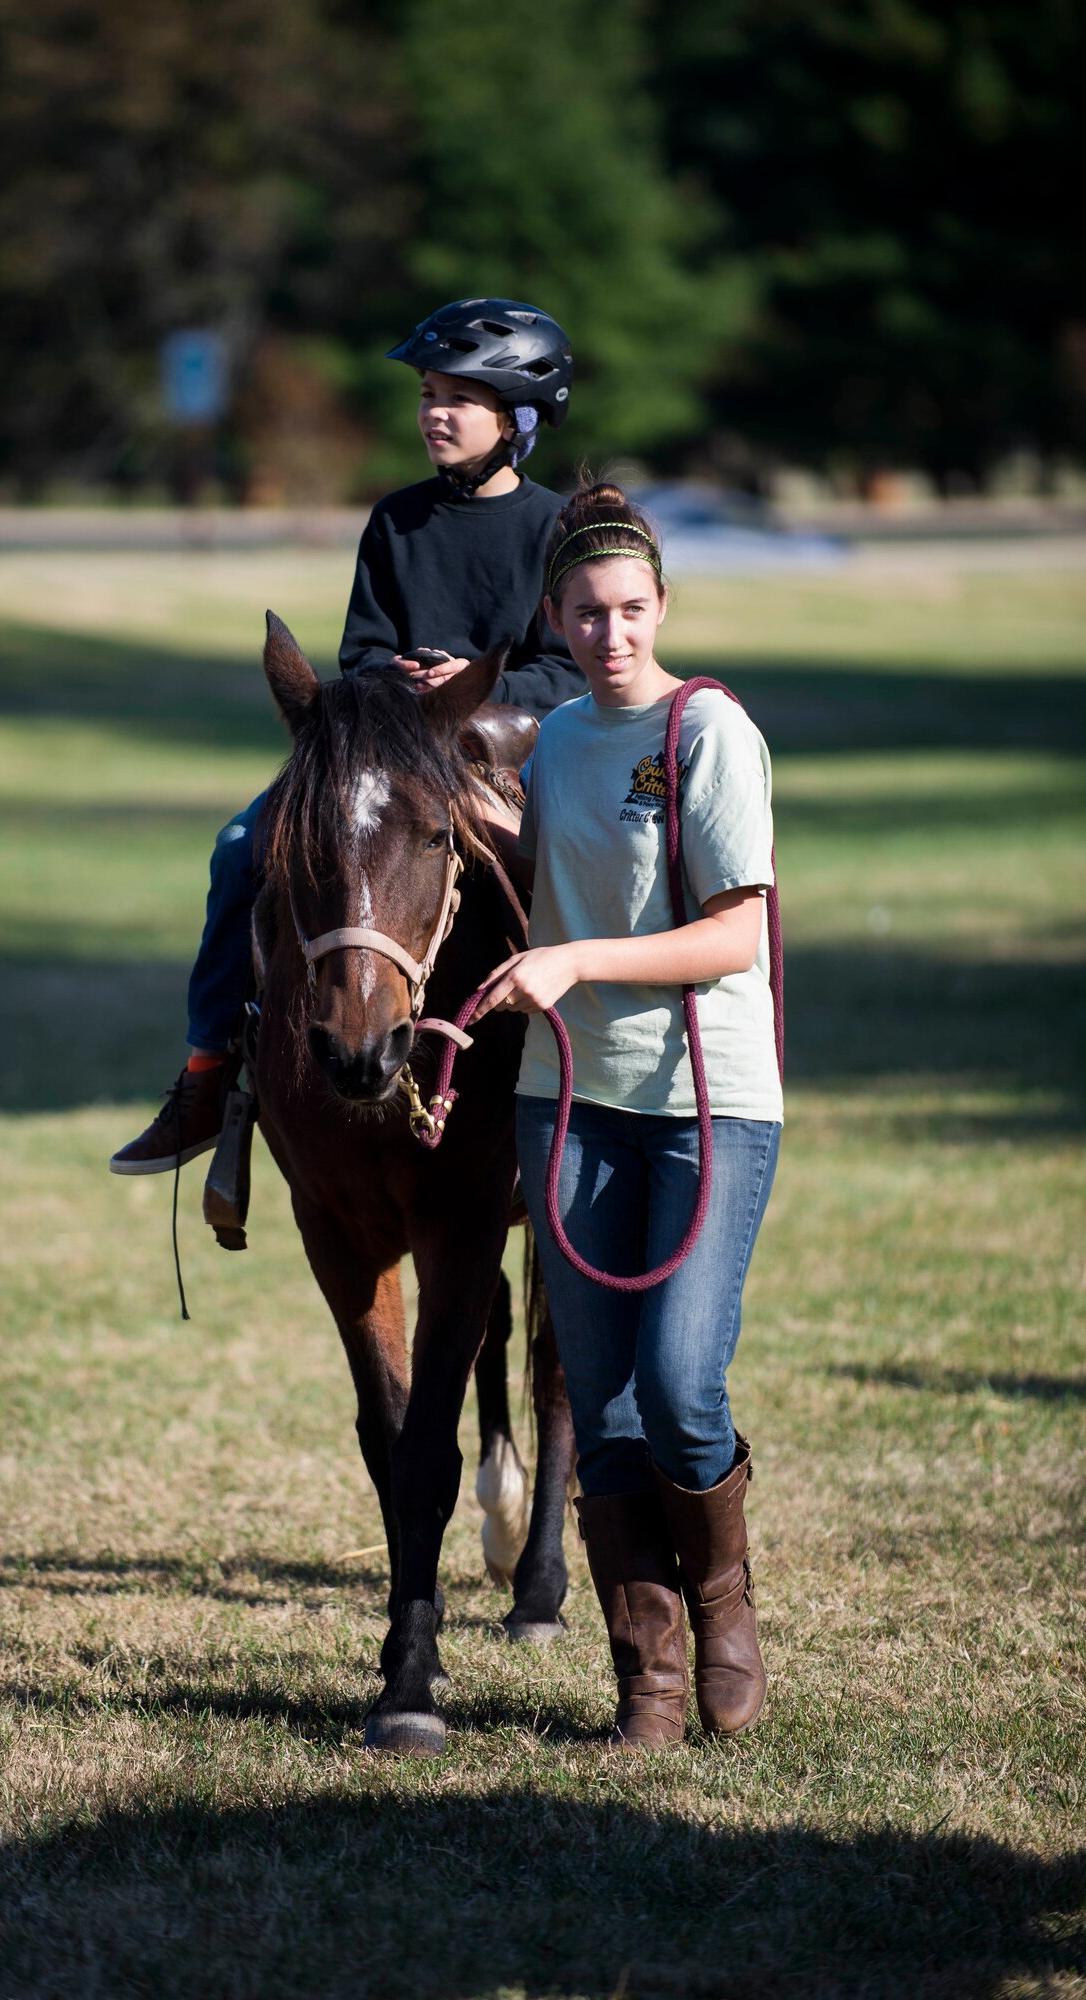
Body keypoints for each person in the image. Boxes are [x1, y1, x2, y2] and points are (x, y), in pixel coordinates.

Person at [111, 298, 582, 1175]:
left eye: (460, 397)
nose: (435, 412)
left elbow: (571, 669)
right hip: (391, 756)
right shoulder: (394, 521)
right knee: (241, 842)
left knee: (582, 873)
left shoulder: (556, 528)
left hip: (512, 760)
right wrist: (399, 679)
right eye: (428, 394)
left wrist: (485, 687)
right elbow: (360, 651)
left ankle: (588, 1091)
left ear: (517, 419)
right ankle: (209, 1076)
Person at [470, 480, 782, 1753]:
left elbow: (738, 931)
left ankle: (724, 1609)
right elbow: (540, 868)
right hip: (568, 1103)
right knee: (595, 1402)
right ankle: (647, 1681)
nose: (611, 634)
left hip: (707, 1106)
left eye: (632, 610)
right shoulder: (555, 746)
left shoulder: (706, 733)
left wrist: (579, 959)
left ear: (662, 607)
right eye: (588, 613)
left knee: (678, 1385)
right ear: (555, 616)